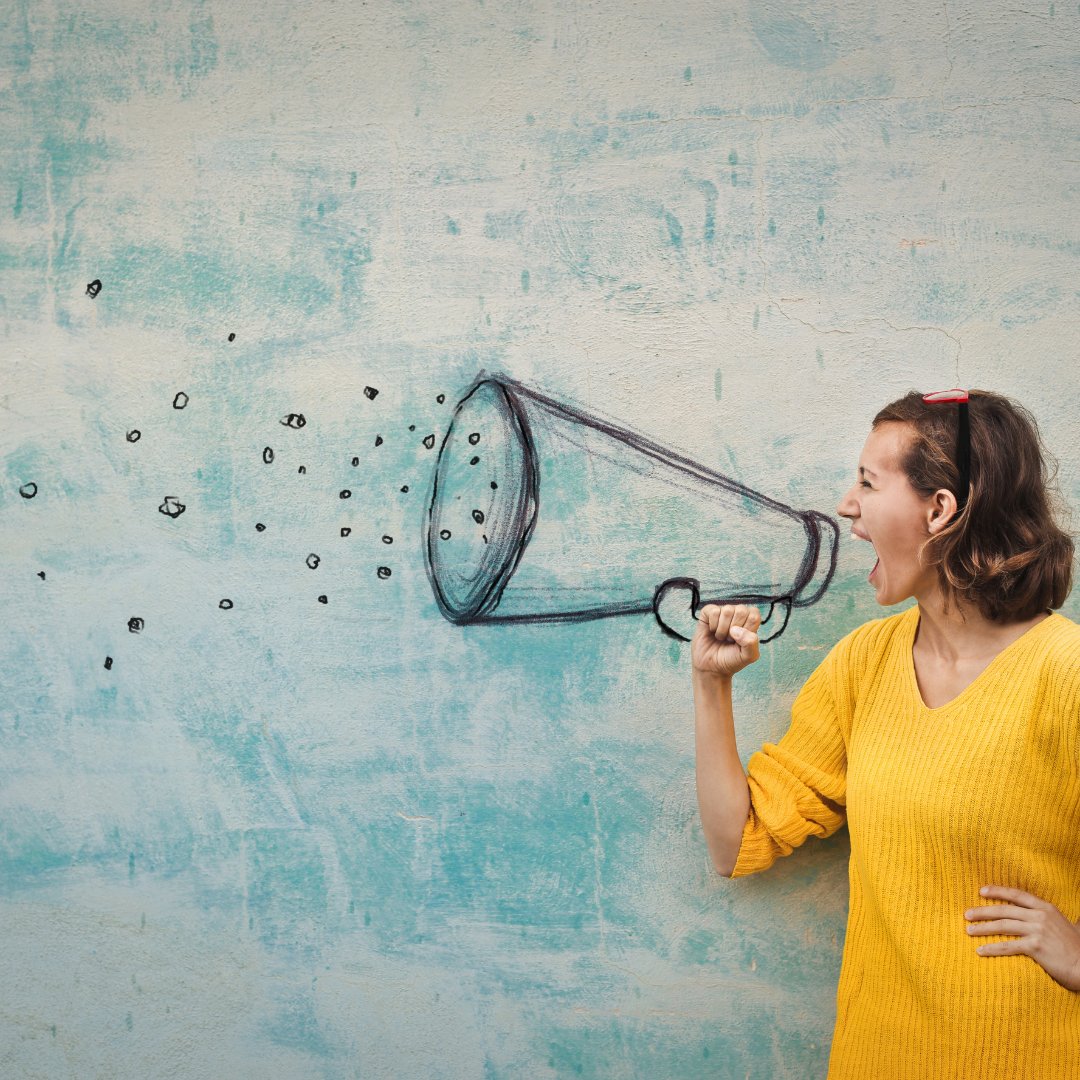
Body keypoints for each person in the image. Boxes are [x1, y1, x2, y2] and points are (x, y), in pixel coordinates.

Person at [691, 389, 1080, 1078]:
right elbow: (735, 841)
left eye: (869, 482)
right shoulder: (863, 663)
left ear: (939, 511)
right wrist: (711, 684)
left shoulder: (1066, 674)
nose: (847, 505)